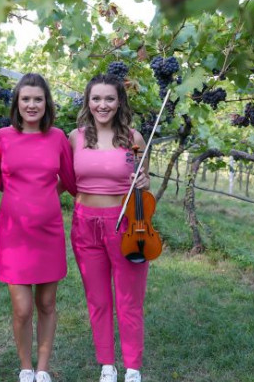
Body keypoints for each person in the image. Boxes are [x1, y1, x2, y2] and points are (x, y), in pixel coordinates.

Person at [0, 73, 77, 382]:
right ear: (17, 103)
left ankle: (42, 369)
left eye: (38, 99)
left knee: (47, 304)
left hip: (49, 233)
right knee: (22, 308)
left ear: (46, 103)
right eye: (26, 99)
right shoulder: (2, 137)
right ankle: (25, 367)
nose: (32, 104)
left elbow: (72, 182)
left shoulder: (58, 138)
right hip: (14, 235)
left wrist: (47, 194)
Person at [68, 74, 150, 382]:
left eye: (109, 99)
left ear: (119, 102)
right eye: (96, 98)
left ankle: (132, 368)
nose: (102, 105)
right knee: (98, 299)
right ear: (88, 101)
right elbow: (63, 179)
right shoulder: (74, 138)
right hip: (84, 224)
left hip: (125, 224)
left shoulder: (134, 138)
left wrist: (143, 182)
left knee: (129, 299)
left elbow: (143, 183)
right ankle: (107, 365)